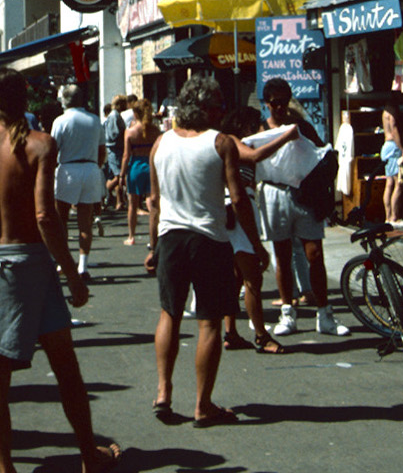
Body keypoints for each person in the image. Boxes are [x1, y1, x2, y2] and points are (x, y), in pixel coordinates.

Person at [0, 66, 119, 473]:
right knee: (65, 366)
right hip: (31, 263)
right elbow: (45, 217)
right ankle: (88, 455)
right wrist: (73, 274)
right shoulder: (40, 145)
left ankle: (7, 468)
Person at [147, 76, 264, 427]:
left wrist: (153, 246)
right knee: (209, 322)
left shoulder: (160, 143)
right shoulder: (220, 143)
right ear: (208, 108)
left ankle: (163, 391)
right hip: (208, 239)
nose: (221, 113)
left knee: (169, 313)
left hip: (170, 237)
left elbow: (154, 203)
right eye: (218, 107)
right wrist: (256, 246)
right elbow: (239, 199)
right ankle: (203, 404)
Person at [256, 77, 349, 337]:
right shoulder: (261, 129)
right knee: (282, 255)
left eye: (284, 102)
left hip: (303, 195)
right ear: (266, 103)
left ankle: (325, 314)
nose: (279, 108)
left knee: (314, 254)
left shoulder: (302, 127)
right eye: (274, 103)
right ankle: (288, 312)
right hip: (274, 192)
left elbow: (322, 155)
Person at [218, 106, 298, 354]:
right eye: (257, 125)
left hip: (228, 207)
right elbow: (254, 158)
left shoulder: (225, 142)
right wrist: (287, 136)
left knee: (235, 276)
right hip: (239, 205)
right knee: (253, 274)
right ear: (245, 126)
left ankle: (230, 331)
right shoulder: (233, 142)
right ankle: (261, 335)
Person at [50, 83, 104, 280]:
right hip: (90, 168)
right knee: (85, 220)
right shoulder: (95, 120)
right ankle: (83, 265)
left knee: (61, 218)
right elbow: (102, 151)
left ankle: (64, 262)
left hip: (67, 169)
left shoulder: (61, 121)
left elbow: (53, 149)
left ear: (64, 101)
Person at [120, 98, 161, 249]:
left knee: (133, 203)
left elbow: (126, 155)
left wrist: (121, 175)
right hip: (151, 166)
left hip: (135, 167)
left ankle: (131, 236)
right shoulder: (155, 131)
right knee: (152, 202)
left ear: (135, 114)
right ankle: (155, 235)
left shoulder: (130, 132)